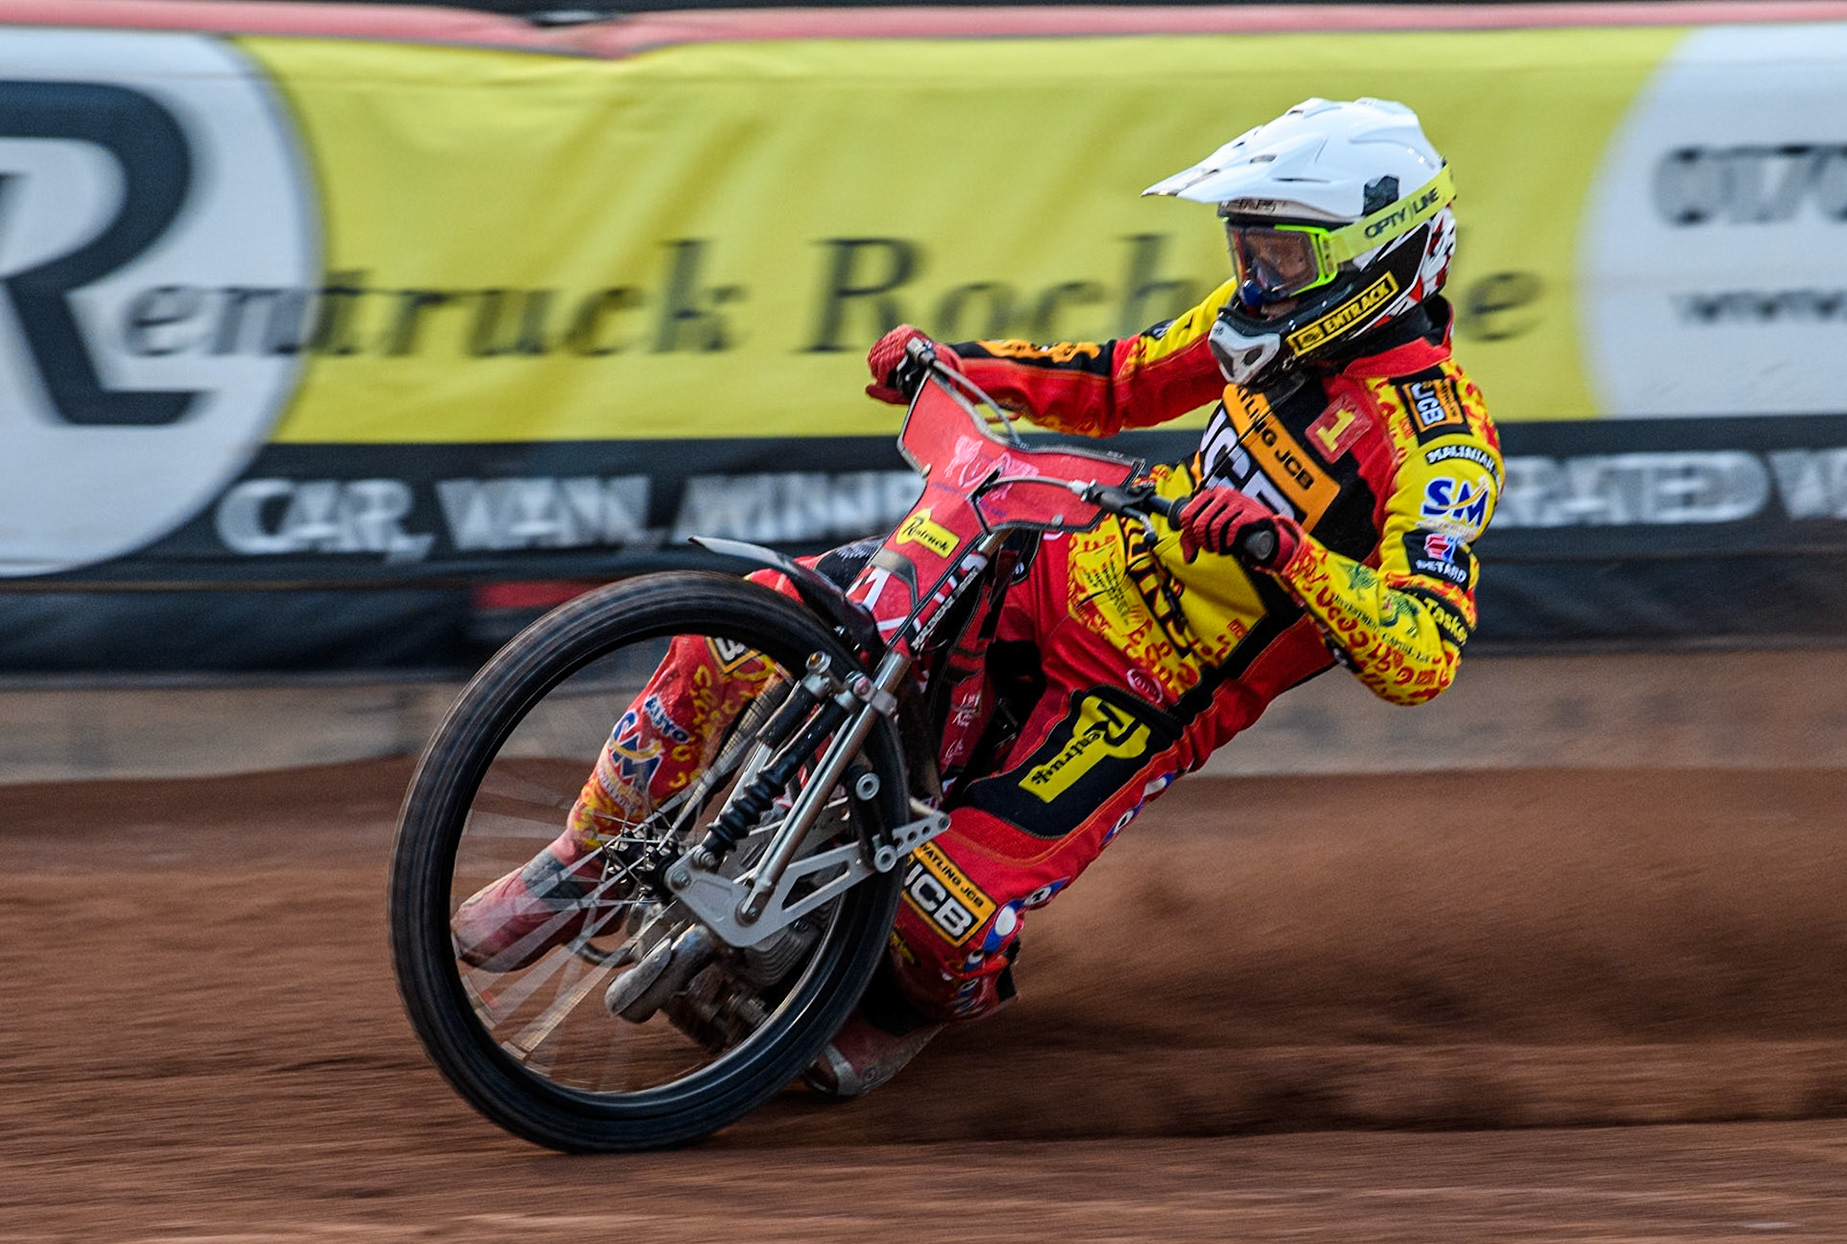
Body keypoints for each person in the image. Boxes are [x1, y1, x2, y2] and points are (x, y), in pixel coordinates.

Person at [451, 97, 1503, 1098]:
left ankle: (903, 1008)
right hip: (1050, 560)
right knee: (750, 625)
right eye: (1247, 247)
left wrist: (1289, 553)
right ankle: (584, 857)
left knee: (944, 916)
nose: (1257, 275)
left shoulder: (1437, 437)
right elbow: (1119, 378)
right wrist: (963, 367)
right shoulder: (1260, 325)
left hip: (1141, 695)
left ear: (1382, 256)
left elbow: (1424, 656)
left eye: (1284, 253)